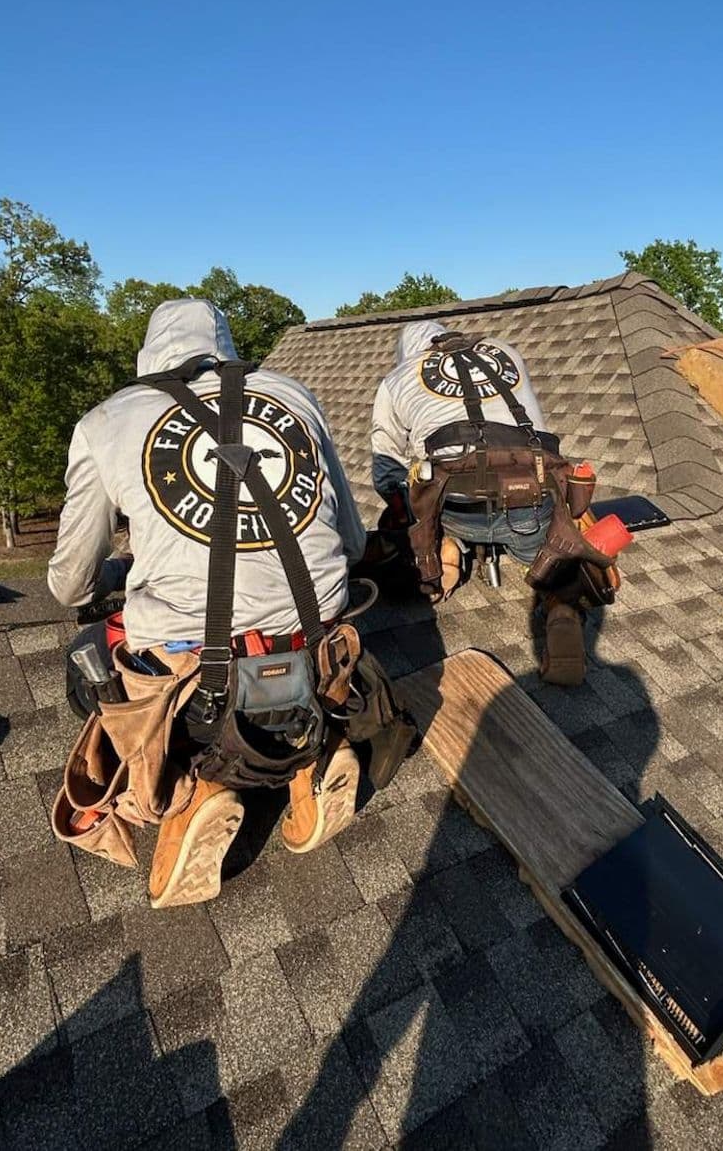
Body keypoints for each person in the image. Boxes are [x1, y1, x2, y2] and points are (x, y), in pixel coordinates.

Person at [48, 298, 370, 906]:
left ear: (149, 354)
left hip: (198, 688)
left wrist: (120, 573)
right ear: (225, 346)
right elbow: (352, 543)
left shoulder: (107, 420)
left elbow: (71, 586)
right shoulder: (295, 395)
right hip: (321, 653)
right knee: (290, 636)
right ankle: (310, 765)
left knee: (88, 652)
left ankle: (194, 790)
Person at [371, 319, 598, 685]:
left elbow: (385, 465)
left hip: (459, 507)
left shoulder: (398, 378)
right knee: (551, 565)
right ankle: (561, 606)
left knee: (421, 483)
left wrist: (406, 515)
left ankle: (446, 554)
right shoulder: (504, 350)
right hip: (532, 495)